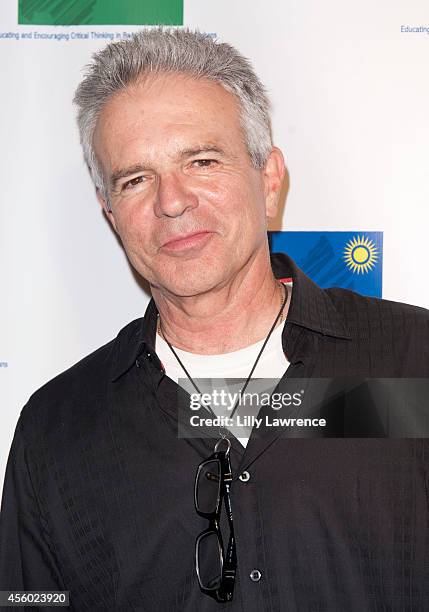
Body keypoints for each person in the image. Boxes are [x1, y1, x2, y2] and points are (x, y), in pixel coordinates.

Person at [1, 28, 428, 611]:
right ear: (110, 213)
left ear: (269, 179)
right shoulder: (57, 428)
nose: (171, 201)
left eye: (202, 160)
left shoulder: (413, 364)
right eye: (135, 179)